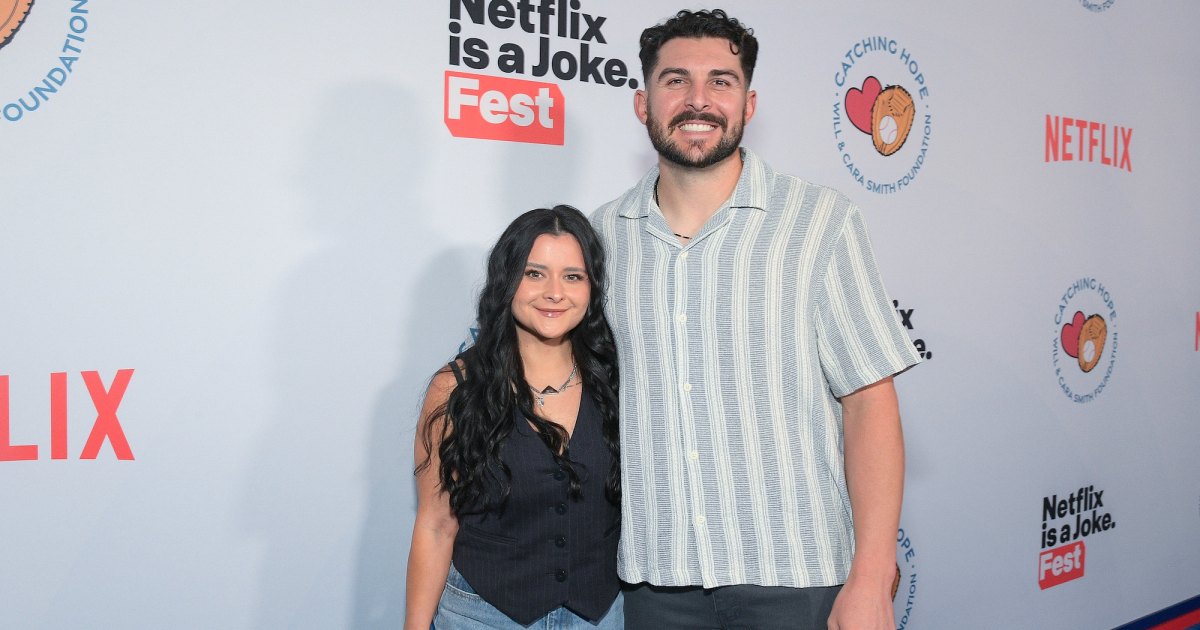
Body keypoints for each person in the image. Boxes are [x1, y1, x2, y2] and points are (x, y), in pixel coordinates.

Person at [590, 9, 921, 630]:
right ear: (642, 103)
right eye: (675, 80)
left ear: (748, 103)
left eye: (720, 81)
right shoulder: (600, 237)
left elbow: (870, 405)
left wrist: (873, 577)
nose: (698, 99)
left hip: (800, 580)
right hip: (657, 583)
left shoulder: (820, 221)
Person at [405, 206, 624, 629]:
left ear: (592, 288)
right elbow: (435, 525)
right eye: (535, 273)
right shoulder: (455, 388)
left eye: (573, 276)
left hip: (600, 616)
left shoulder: (618, 381)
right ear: (507, 281)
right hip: (483, 616)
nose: (554, 292)